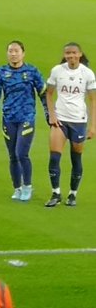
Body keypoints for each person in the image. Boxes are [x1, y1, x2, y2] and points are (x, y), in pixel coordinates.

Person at [0, 40, 47, 202]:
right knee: (12, 156)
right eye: (10, 51)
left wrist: (49, 114)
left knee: (21, 152)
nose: (13, 54)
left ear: (23, 53)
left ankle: (28, 186)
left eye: (16, 51)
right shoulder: (1, 72)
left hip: (27, 117)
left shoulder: (32, 71)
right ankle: (17, 188)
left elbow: (43, 93)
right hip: (9, 118)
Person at [44, 42, 95, 208]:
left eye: (74, 53)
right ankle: (56, 193)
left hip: (79, 121)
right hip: (60, 120)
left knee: (76, 158)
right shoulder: (57, 71)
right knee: (54, 157)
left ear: (80, 54)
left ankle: (73, 194)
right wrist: (52, 115)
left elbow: (93, 100)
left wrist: (93, 126)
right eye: (68, 53)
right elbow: (49, 94)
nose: (71, 56)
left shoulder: (87, 74)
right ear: (64, 55)